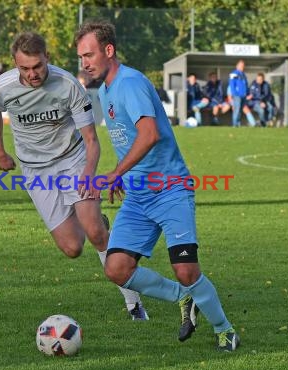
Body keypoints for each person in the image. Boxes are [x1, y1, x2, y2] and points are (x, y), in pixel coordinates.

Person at [75, 19, 239, 351]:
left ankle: (225, 330)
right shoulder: (106, 90)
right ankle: (184, 299)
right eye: (81, 57)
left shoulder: (131, 83)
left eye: (89, 55)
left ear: (109, 50)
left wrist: (116, 173)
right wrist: (126, 175)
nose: (84, 63)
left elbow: (149, 135)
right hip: (138, 196)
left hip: (170, 189)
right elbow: (129, 140)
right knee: (117, 268)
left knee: (186, 269)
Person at [0, 32, 148, 320]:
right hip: (35, 169)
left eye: (37, 66)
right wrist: (0, 151)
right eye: (25, 68)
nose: (32, 74)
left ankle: (133, 304)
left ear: (47, 57)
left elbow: (91, 140)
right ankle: (94, 219)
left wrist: (88, 174)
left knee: (96, 233)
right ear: (15, 64)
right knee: (72, 248)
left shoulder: (68, 85)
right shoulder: (3, 87)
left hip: (73, 159)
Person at [229, 59, 256, 127]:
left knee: (240, 111)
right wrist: (234, 93)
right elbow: (232, 84)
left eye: (243, 66)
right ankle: (234, 125)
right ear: (237, 66)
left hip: (243, 96)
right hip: (237, 95)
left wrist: (247, 94)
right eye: (241, 66)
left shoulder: (243, 74)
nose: (242, 67)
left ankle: (238, 124)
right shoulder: (234, 73)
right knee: (236, 110)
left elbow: (245, 85)